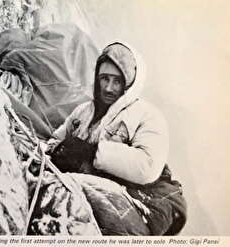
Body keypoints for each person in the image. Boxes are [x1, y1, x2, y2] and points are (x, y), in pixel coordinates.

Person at [46, 42, 187, 235]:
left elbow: (147, 166)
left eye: (117, 81)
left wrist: (91, 152)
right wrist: (59, 151)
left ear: (129, 84)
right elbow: (54, 141)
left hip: (139, 198)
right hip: (92, 187)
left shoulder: (147, 115)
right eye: (104, 79)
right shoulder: (83, 112)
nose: (109, 88)